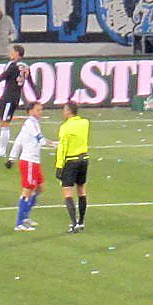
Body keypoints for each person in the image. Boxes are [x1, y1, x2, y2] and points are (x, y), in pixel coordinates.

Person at [6, 101, 46, 232]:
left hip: (34, 161)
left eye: (41, 110)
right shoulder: (31, 123)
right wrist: (54, 143)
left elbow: (18, 141)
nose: (41, 112)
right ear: (31, 111)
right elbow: (40, 139)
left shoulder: (31, 124)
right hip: (28, 161)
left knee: (40, 188)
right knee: (27, 190)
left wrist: (12, 158)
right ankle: (19, 223)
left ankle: (25, 217)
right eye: (38, 110)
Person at [55, 100, 91, 233]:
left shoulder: (65, 127)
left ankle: (74, 223)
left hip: (71, 160)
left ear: (69, 111)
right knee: (81, 190)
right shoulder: (85, 123)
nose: (63, 112)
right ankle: (81, 222)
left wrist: (59, 166)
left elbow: (62, 147)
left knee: (67, 192)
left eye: (64, 110)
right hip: (84, 159)